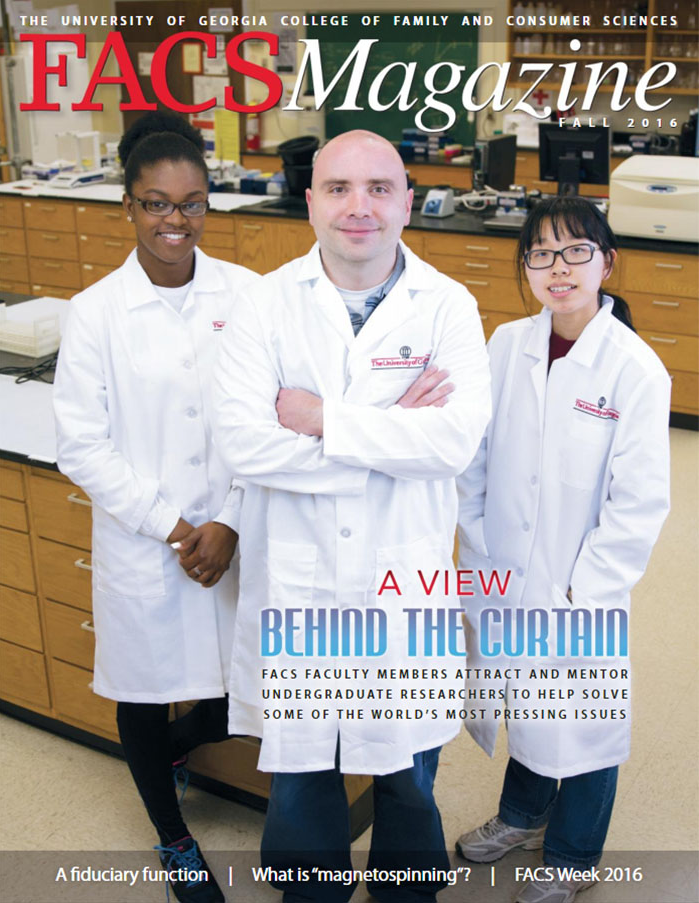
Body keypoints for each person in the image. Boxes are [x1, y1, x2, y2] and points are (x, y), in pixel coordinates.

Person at [213, 129, 491, 902]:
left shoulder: (448, 306)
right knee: (303, 767)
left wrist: (319, 418)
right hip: (299, 581)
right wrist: (392, 425)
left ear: (408, 201)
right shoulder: (263, 304)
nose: (358, 206)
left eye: (378, 188)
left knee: (406, 768)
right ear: (310, 203)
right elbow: (245, 446)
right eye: (338, 188)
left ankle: (407, 887)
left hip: (405, 582)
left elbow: (454, 442)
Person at [53, 111, 258, 903]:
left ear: (209, 204)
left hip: (231, 531)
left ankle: (181, 744)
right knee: (143, 688)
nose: (176, 220)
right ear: (129, 208)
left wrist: (229, 520)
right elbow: (82, 444)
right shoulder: (96, 311)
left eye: (192, 202)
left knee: (225, 692)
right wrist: (179, 529)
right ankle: (173, 838)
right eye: (157, 203)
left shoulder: (246, 295)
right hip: (150, 540)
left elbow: (264, 418)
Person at [455, 197, 671, 903]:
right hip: (503, 567)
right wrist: (477, 538)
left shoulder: (634, 370)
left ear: (607, 263)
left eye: (576, 250)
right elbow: (475, 459)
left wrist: (586, 588)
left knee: (581, 718)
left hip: (580, 586)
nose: (558, 266)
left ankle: (574, 855)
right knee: (525, 697)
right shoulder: (505, 345)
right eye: (541, 253)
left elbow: (638, 501)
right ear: (526, 269)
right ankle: (522, 814)